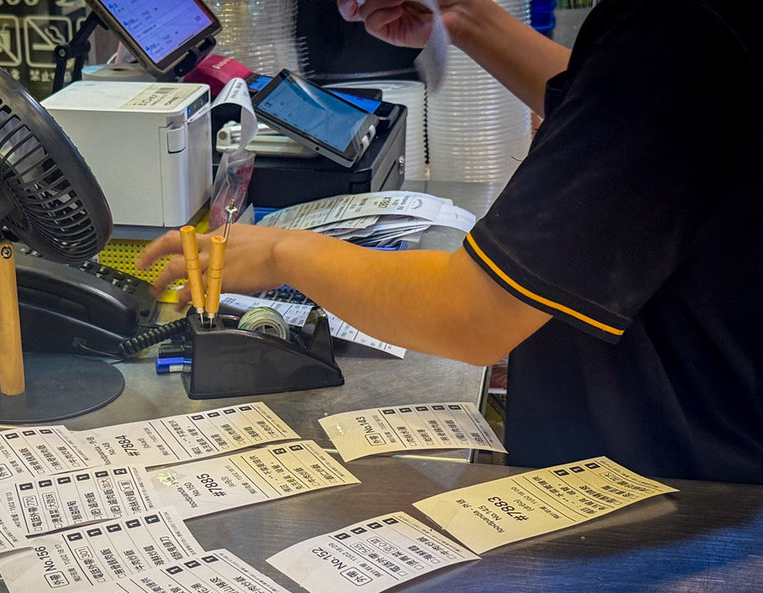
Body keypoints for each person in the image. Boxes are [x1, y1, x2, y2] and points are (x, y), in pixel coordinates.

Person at [137, 0, 763, 485]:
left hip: (685, 493)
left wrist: (283, 251)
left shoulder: (678, 27)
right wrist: (461, 17)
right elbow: (615, 104)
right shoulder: (680, 33)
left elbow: (474, 312)